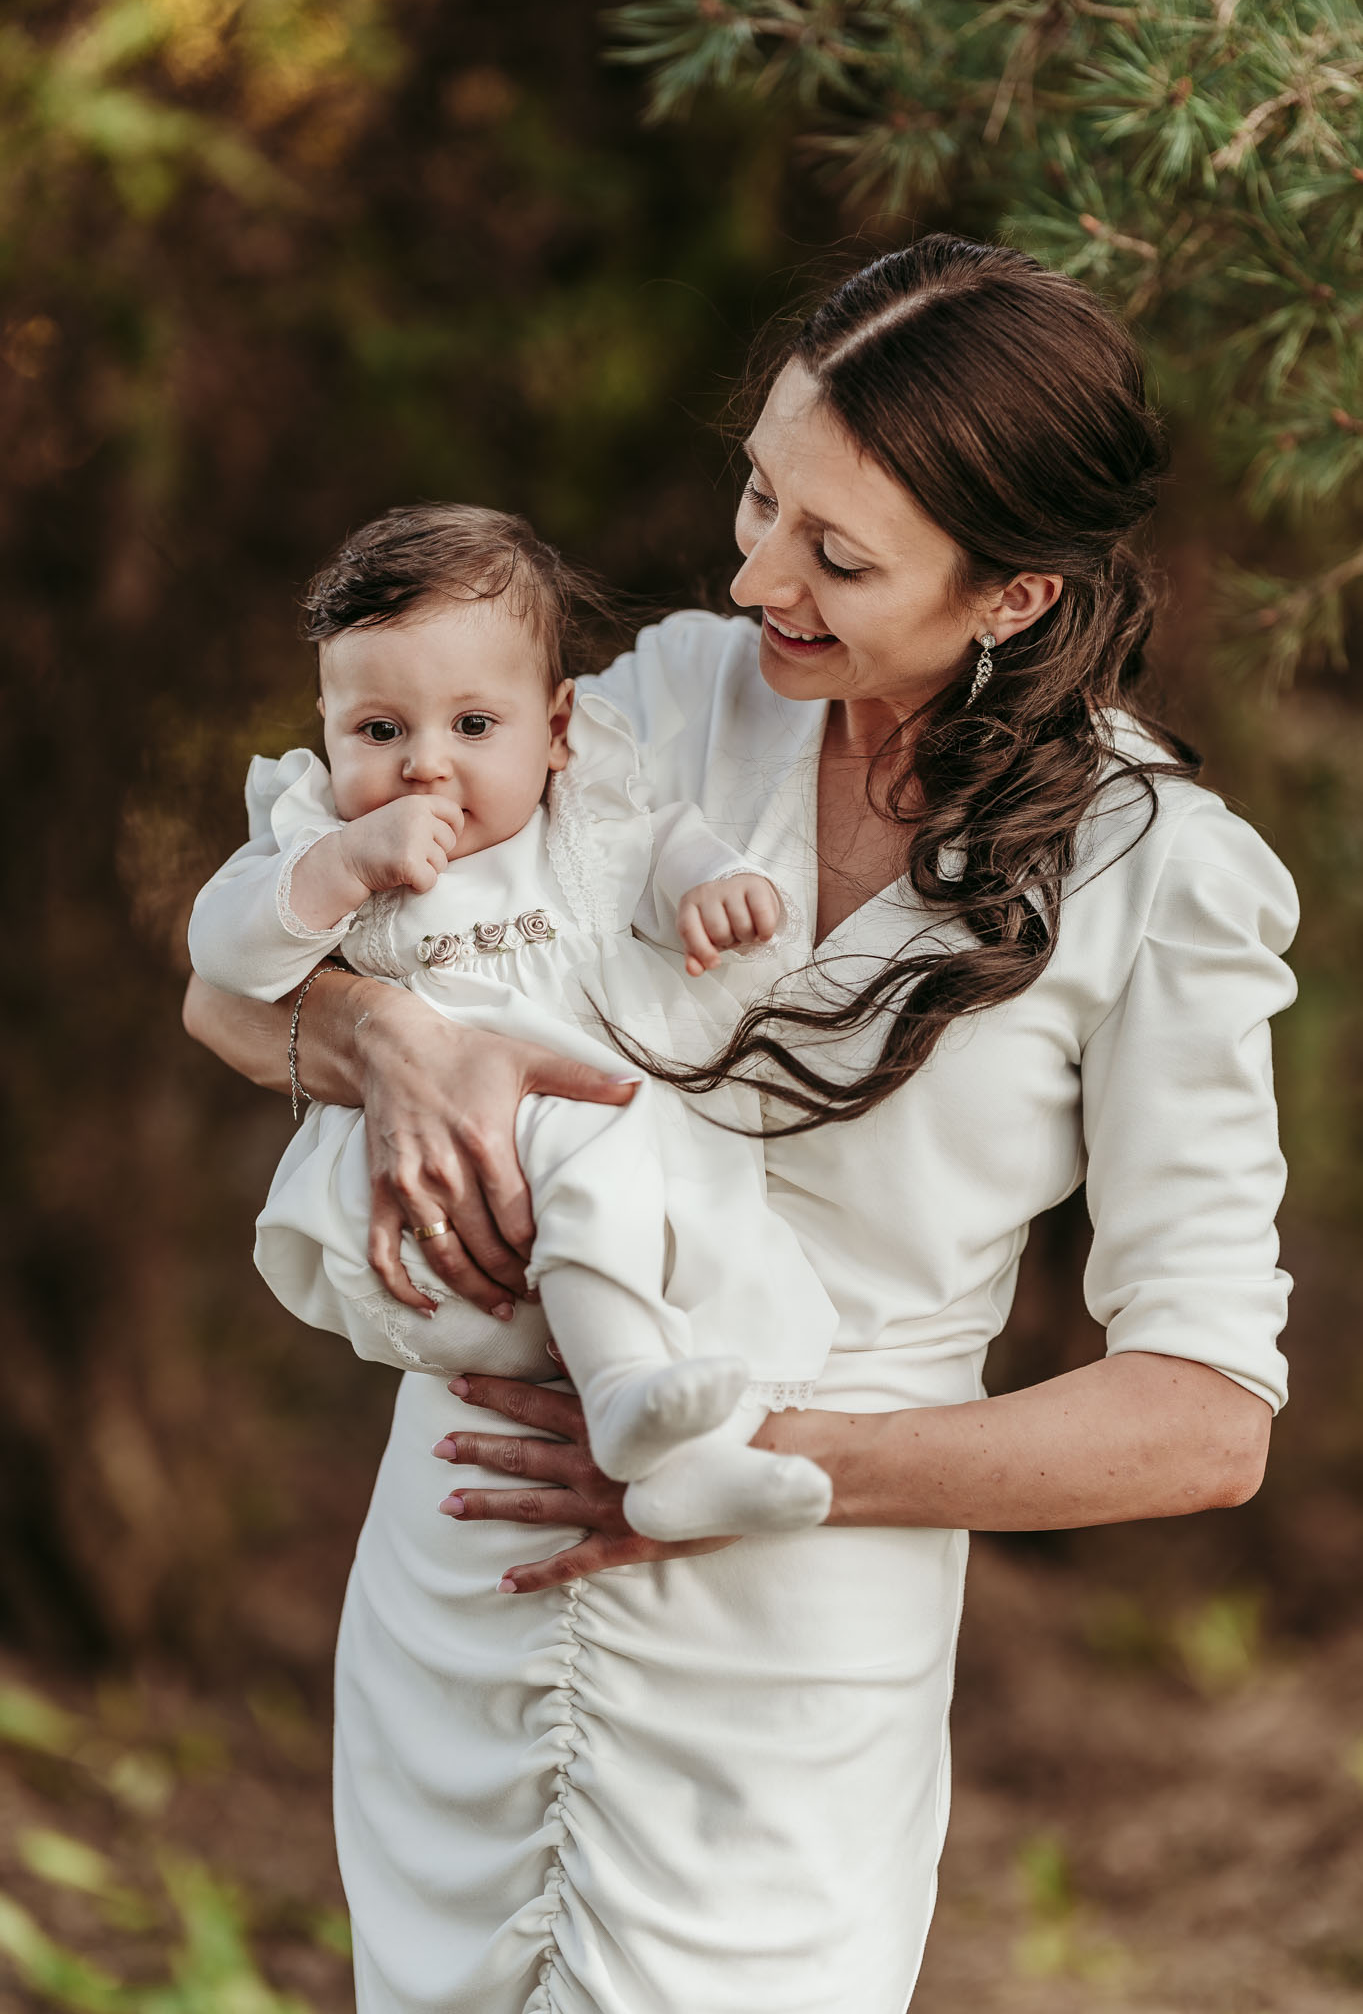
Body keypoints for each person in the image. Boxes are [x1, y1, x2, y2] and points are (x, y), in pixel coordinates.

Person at [183, 235, 1298, 2014]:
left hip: (789, 1646)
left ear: (1010, 593)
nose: (751, 570)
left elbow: (1201, 1418)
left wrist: (769, 1457)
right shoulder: (659, 703)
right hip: (467, 1561)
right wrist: (393, 1043)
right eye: (760, 493)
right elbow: (234, 995)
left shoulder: (1161, 878)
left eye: (833, 553)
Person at [187, 503, 839, 1543]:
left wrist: (712, 885)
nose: (424, 765)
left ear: (559, 727)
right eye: (379, 730)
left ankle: (684, 1469)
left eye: (473, 726)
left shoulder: (581, 827)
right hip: (440, 1207)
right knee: (591, 1135)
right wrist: (342, 867)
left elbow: (664, 842)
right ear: (327, 724)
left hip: (599, 1200)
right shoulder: (321, 838)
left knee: (699, 1230)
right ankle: (621, 1392)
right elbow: (223, 959)